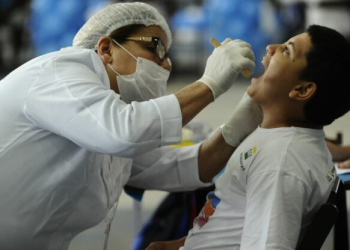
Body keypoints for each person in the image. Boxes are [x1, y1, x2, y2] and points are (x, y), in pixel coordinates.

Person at [0, 2, 257, 249]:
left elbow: (184, 167)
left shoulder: (107, 114)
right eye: (156, 47)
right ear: (106, 48)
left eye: (168, 55)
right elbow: (126, 131)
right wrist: (209, 84)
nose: (166, 64)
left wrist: (239, 123)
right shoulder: (61, 73)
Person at [146, 24, 350, 250]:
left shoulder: (279, 163)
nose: (271, 48)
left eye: (286, 50)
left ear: (302, 90)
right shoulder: (286, 143)